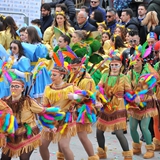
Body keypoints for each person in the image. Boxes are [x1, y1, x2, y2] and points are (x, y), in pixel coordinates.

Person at [95, 56, 133, 160]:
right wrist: (98, 100)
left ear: (120, 65)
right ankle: (102, 153)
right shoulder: (104, 76)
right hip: (105, 105)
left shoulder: (124, 77)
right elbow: (98, 89)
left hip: (118, 107)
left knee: (119, 132)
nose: (114, 67)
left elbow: (129, 93)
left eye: (116, 65)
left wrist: (133, 100)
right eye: (112, 65)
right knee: (99, 131)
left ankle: (128, 156)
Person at [1, 79, 46, 160]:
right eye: (12, 86)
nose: (14, 88)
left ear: (22, 89)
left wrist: (50, 125)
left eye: (17, 86)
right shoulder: (4, 102)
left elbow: (42, 112)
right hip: (11, 135)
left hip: (27, 133)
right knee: (4, 158)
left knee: (24, 158)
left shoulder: (29, 101)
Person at [39, 66, 77, 160]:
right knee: (42, 145)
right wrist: (46, 123)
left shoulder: (70, 87)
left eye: (54, 75)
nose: (51, 77)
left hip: (65, 120)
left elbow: (86, 96)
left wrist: (75, 97)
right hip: (51, 119)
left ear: (62, 76)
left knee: (64, 146)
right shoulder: (48, 88)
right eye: (51, 74)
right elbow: (45, 105)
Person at [127, 52, 159, 159]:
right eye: (134, 60)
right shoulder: (129, 73)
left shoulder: (148, 70)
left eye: (138, 60)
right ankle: (136, 147)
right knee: (132, 127)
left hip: (147, 101)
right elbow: (127, 88)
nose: (135, 62)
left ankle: (150, 149)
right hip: (134, 102)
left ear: (142, 61)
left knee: (144, 127)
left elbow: (156, 79)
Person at [67, 58, 99, 159]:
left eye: (75, 68)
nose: (73, 71)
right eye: (71, 68)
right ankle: (61, 156)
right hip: (70, 109)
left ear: (81, 67)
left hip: (82, 110)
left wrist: (75, 96)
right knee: (63, 134)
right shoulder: (73, 75)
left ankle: (92, 156)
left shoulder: (88, 80)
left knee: (82, 136)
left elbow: (89, 96)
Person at [22, 26, 51, 102]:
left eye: (26, 33)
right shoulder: (25, 45)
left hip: (38, 70)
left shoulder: (39, 46)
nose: (24, 35)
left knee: (38, 93)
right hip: (30, 69)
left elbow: (41, 58)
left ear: (31, 34)